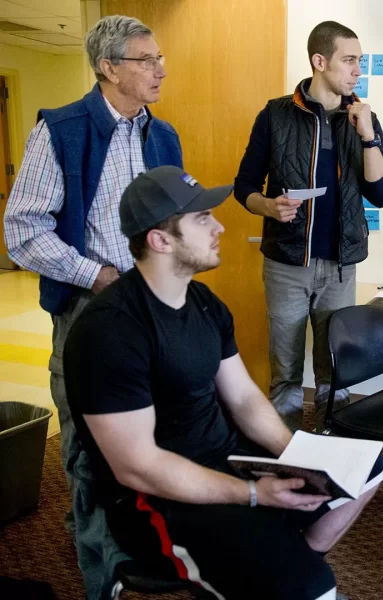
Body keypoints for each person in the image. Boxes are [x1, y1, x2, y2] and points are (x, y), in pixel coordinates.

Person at [64, 166, 383, 600]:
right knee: (312, 585)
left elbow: (245, 399)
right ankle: (295, 580)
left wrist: (299, 456)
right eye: (201, 220)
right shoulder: (110, 331)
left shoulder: (203, 302)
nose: (218, 227)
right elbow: (137, 466)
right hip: (159, 500)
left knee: (366, 467)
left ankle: (285, 571)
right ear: (160, 240)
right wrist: (253, 494)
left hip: (227, 459)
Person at [2, 15, 181, 598]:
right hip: (88, 312)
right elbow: (22, 231)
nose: (159, 69)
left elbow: (174, 213)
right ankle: (102, 578)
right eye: (145, 59)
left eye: (159, 58)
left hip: (153, 308)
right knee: (89, 448)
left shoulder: (164, 135)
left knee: (150, 432)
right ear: (108, 68)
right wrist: (98, 275)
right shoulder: (61, 131)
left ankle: (136, 538)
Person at [234, 20, 383, 433]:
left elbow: (382, 195)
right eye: (349, 60)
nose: (358, 70)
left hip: (340, 267)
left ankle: (332, 448)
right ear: (319, 61)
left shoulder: (363, 118)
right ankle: (283, 452)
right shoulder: (275, 115)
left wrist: (368, 137)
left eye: (360, 60)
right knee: (285, 371)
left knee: (336, 371)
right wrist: (267, 207)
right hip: (287, 264)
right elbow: (244, 186)